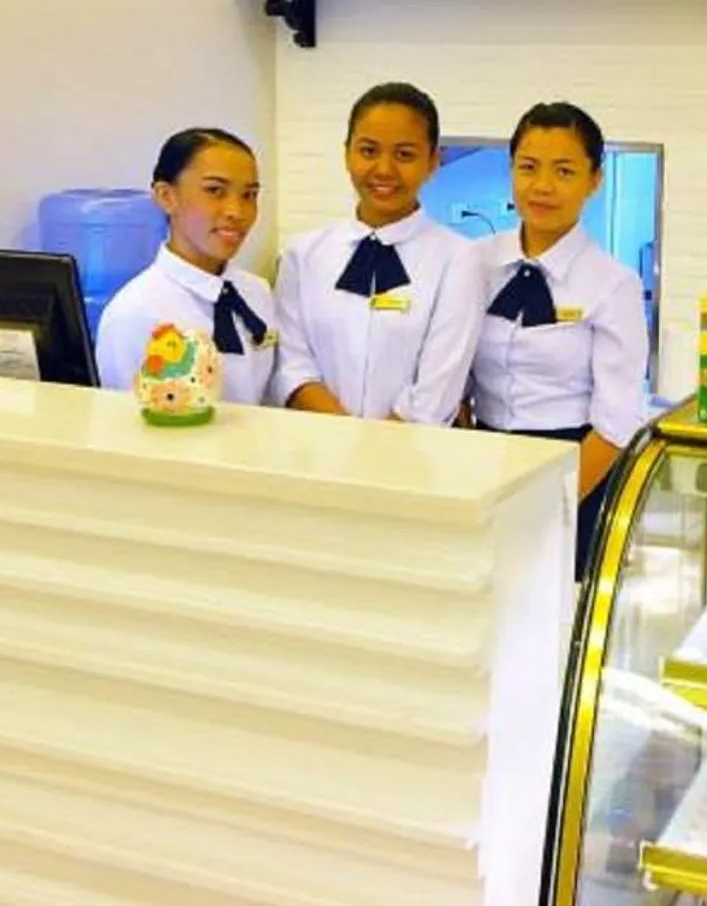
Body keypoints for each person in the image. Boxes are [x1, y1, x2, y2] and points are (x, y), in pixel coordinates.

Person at [467, 103, 649, 580]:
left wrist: (553, 504)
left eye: (564, 171)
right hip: (482, 461)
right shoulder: (474, 262)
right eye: (528, 167)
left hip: (572, 469)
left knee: (551, 607)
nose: (543, 186)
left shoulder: (613, 283)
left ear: (594, 180)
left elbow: (618, 420)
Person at [273, 83, 485, 423]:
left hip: (416, 449)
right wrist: (346, 439)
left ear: (433, 161)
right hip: (316, 443)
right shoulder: (302, 254)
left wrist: (376, 447)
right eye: (369, 150)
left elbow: (438, 386)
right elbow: (293, 366)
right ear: (347, 154)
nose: (384, 169)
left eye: (404, 154)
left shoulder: (459, 258)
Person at [94, 128, 277, 402]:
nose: (236, 212)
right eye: (215, 191)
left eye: (249, 195)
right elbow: (127, 420)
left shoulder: (258, 292)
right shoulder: (135, 312)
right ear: (166, 196)